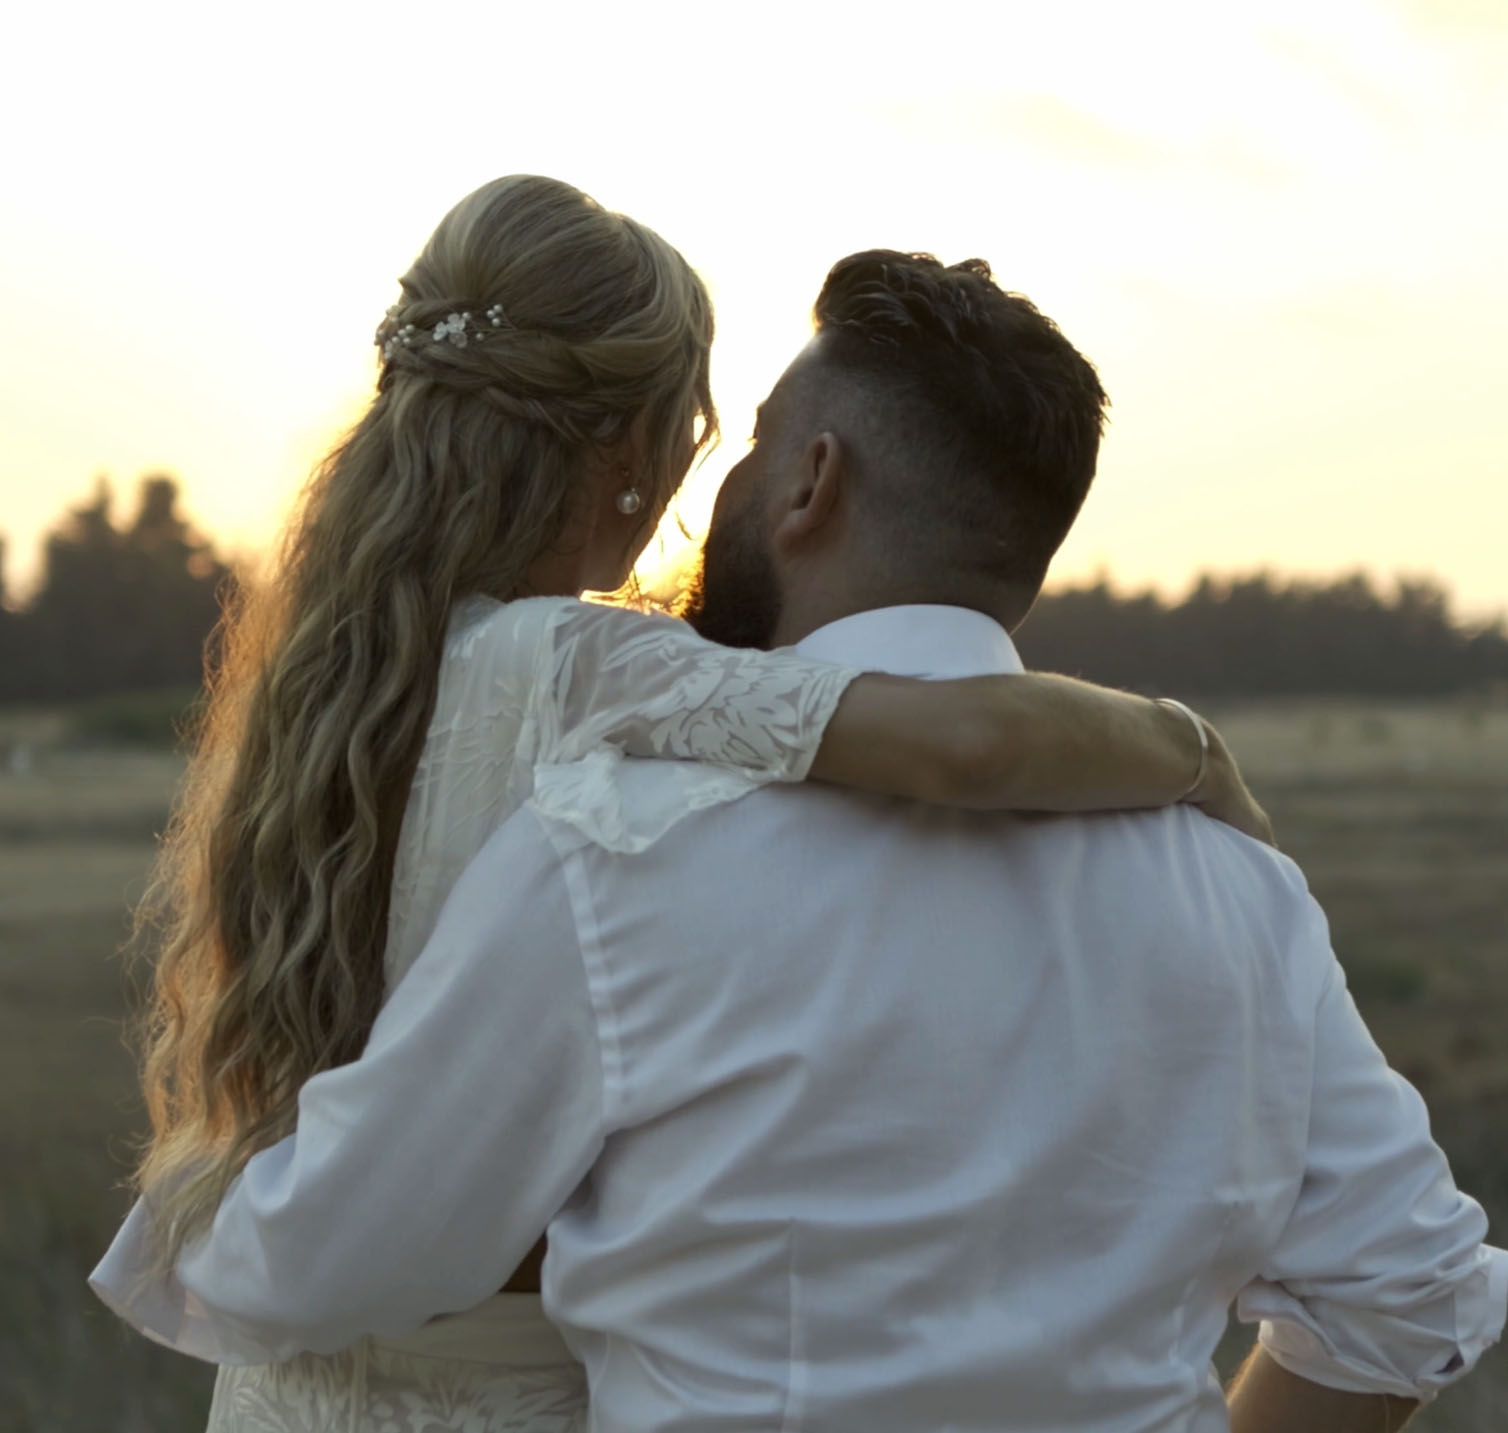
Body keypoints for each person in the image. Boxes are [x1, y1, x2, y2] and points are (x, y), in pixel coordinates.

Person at [95, 249, 1505, 1430]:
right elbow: (1410, 1289)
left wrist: (191, 1216)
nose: (722, 482)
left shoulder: (617, 851)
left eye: (755, 439)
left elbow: (332, 1260)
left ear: (811, 482)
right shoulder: (1238, 886)